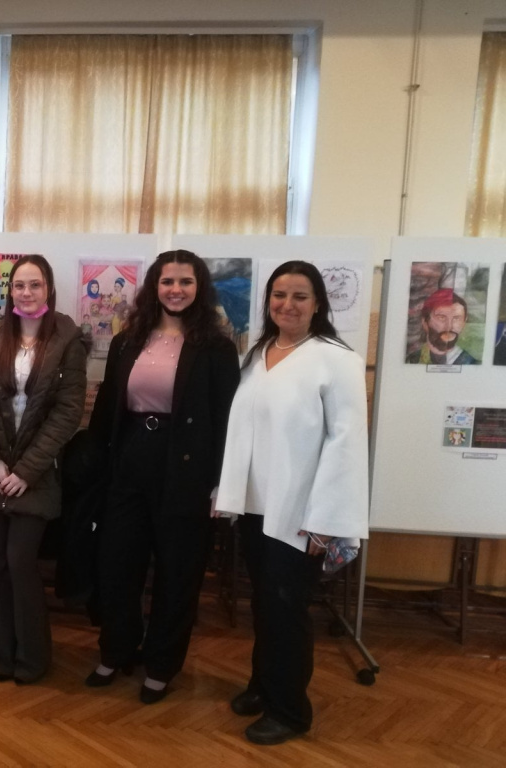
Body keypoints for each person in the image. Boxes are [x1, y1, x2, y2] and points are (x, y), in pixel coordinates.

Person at [216, 260, 369, 746]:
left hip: (301, 514)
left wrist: (327, 520)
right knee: (265, 604)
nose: (288, 304)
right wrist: (226, 490)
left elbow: (346, 444)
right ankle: (264, 686)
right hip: (255, 507)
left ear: (317, 302)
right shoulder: (258, 353)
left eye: (300, 296)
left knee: (287, 610)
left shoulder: (335, 359)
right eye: (279, 295)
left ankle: (290, 711)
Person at [85, 250, 239, 704]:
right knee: (118, 566)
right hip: (130, 460)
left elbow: (226, 419)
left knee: (177, 573)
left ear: (199, 288)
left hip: (187, 469)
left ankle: (161, 664)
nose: (176, 290)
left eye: (185, 282)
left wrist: (221, 483)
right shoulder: (127, 340)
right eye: (168, 281)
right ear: (154, 285)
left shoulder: (216, 347)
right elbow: (108, 408)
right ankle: (116, 651)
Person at [0, 255, 87, 684]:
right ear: (10, 291)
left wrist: (26, 471)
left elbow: (68, 413)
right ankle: (2, 655)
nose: (27, 292)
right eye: (19, 285)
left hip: (37, 474)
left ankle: (33, 657)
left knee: (20, 561)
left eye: (35, 285)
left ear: (49, 289)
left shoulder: (68, 341)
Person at [405, 288, 478, 365]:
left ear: (464, 322)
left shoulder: (471, 363)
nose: (449, 326)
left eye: (456, 318)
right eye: (441, 318)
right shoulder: (412, 361)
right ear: (425, 322)